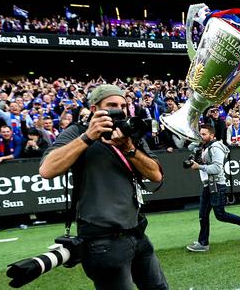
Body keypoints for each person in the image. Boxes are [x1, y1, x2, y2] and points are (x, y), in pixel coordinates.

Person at [39, 84, 168, 290]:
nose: (119, 110)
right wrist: (88, 137)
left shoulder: (129, 134)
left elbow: (156, 175)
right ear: (94, 110)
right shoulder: (77, 131)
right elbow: (47, 170)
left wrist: (128, 148)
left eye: (123, 105)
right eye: (111, 105)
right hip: (101, 240)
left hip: (137, 231)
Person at [186, 124, 240, 252]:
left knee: (220, 215)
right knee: (203, 214)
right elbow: (189, 146)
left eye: (204, 134)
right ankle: (203, 243)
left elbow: (217, 168)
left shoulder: (215, 147)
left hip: (217, 185)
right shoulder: (204, 146)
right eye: (200, 134)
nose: (201, 136)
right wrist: (196, 140)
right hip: (209, 185)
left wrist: (199, 167)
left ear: (212, 135)